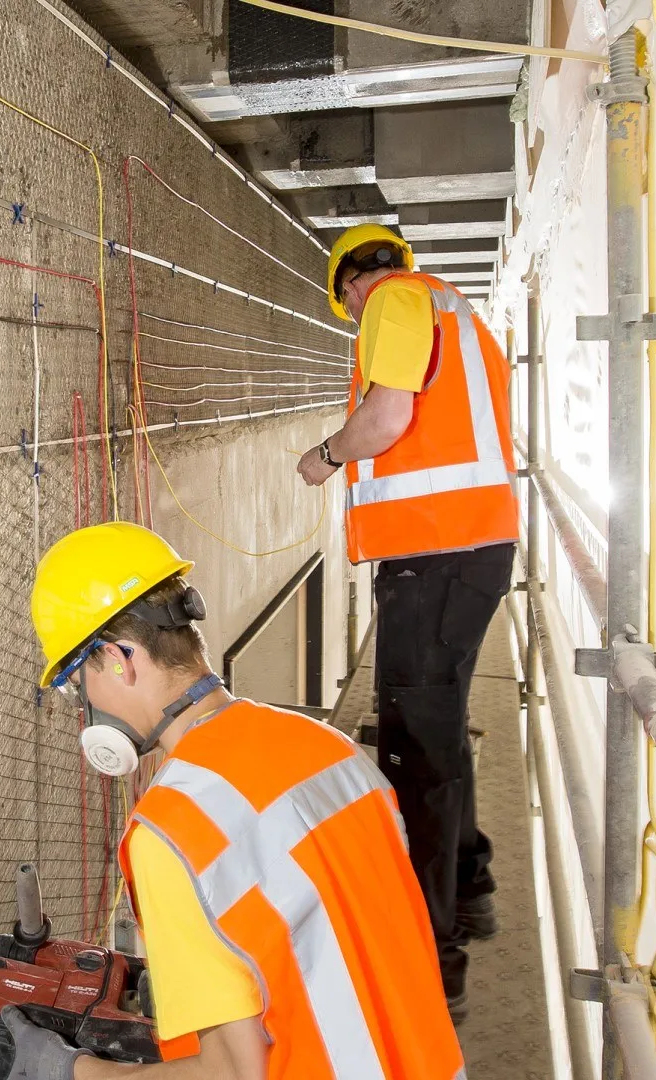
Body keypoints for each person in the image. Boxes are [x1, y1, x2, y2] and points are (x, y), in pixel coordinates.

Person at [0, 521, 464, 1080]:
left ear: (118, 660)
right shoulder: (331, 749)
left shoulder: (171, 832)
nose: (84, 703)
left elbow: (234, 1073)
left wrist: (74, 1071)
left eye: (77, 681)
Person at [293, 223, 519, 1016]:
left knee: (415, 754)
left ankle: (432, 960)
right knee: (441, 727)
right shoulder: (455, 310)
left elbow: (386, 421)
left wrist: (325, 456)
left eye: (346, 302)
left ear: (350, 285)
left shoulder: (394, 304)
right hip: (472, 550)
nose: (355, 313)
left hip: (435, 555)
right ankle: (473, 882)